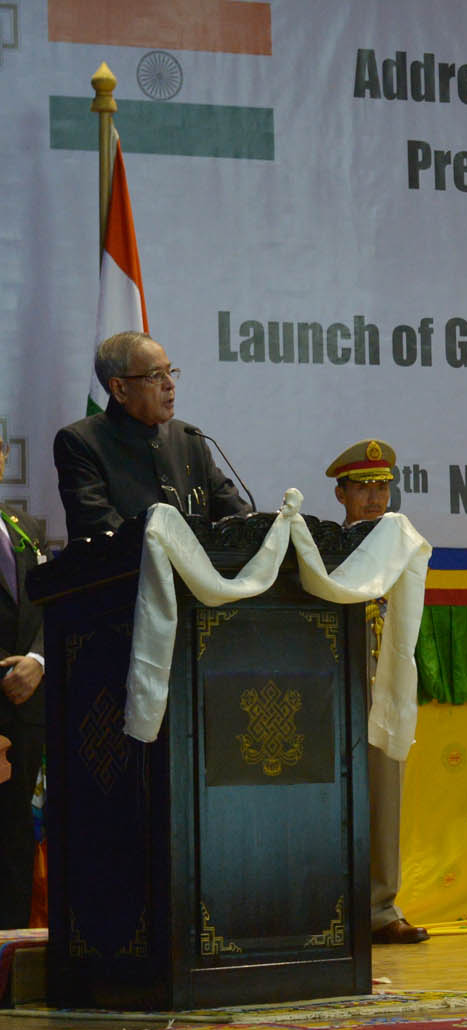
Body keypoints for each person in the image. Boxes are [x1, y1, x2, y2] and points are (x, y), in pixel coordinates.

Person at [327, 438, 427, 945]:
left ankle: (381, 910)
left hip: (379, 679)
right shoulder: (323, 547)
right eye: (363, 488)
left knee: (385, 791)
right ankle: (325, 911)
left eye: (383, 486)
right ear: (340, 493)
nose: (375, 497)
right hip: (329, 678)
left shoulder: (399, 542)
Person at [54, 331, 250, 539]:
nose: (170, 384)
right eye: (155, 376)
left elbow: (237, 515)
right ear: (119, 388)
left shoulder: (189, 438)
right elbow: (100, 527)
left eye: (170, 371)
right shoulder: (80, 442)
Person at [0, 439, 45, 928]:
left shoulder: (25, 527)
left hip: (28, 706)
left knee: (17, 840)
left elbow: (53, 603)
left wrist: (38, 659)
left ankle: (9, 967)